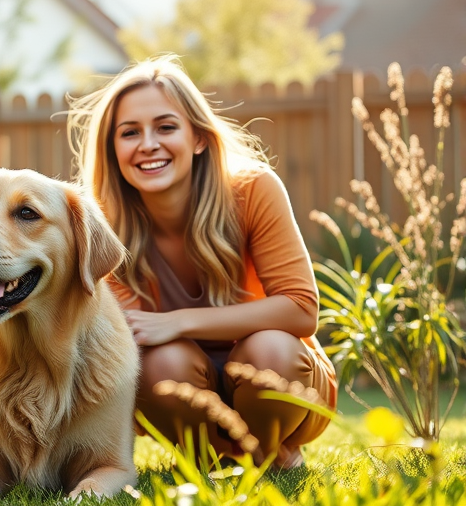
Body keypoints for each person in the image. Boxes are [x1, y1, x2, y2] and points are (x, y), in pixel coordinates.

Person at [70, 55, 337, 468]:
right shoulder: (101, 223)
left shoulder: (253, 190)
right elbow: (133, 339)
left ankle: (266, 450)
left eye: (165, 127)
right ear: (113, 149)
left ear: (198, 137)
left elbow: (301, 310)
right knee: (153, 362)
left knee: (271, 348)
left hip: (282, 377)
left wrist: (180, 320)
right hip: (182, 380)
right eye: (129, 133)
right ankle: (206, 458)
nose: (147, 144)